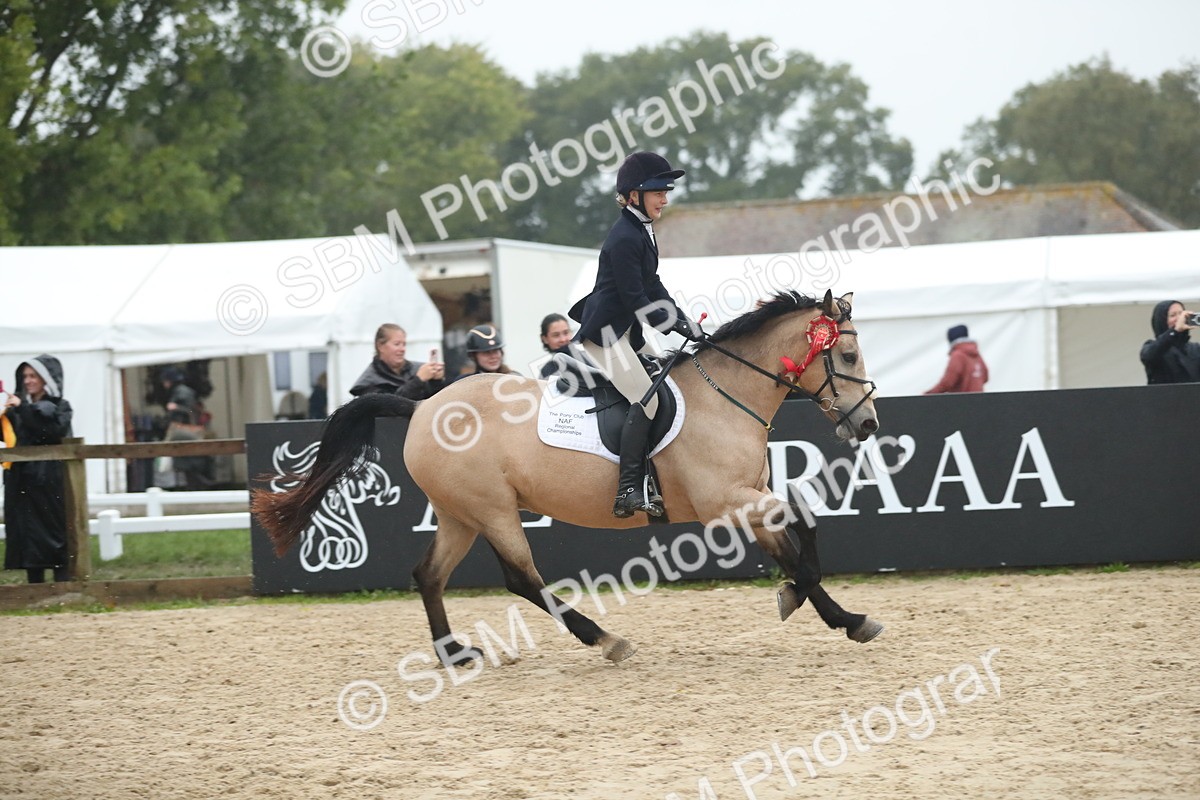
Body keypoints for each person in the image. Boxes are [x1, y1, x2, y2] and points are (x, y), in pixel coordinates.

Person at [568, 151, 697, 518]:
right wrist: (672, 324)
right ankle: (627, 490)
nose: (665, 198)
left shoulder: (642, 227)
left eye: (666, 190)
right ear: (634, 194)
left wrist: (681, 316)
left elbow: (652, 282)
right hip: (606, 336)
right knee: (649, 401)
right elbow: (636, 298)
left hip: (625, 333)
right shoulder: (625, 236)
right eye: (658, 191)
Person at [2, 355, 74, 584]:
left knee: (53, 532)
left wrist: (22, 408)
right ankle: (35, 589)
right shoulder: (15, 409)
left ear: (46, 379)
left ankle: (62, 587)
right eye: (25, 376)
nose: (28, 381)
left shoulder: (61, 407)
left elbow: (50, 431)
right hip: (21, 480)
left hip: (49, 479)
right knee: (26, 534)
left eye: (33, 376)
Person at [350, 323, 445, 399]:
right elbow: (390, 407)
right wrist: (418, 381)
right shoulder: (369, 382)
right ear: (380, 346)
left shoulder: (418, 369)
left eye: (404, 344)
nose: (402, 349)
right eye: (397, 344)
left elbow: (434, 403)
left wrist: (436, 381)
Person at [1140, 300, 1200, 384]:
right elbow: (1149, 356)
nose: (1179, 319)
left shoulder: (1195, 348)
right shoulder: (1152, 347)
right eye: (1173, 315)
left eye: (1181, 314)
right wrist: (1175, 331)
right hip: (1165, 396)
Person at [925, 324, 989, 394]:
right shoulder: (976, 354)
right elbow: (985, 377)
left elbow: (948, 382)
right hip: (980, 400)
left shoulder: (958, 355)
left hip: (962, 401)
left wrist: (929, 394)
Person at [453, 324, 520, 382]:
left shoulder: (516, 379)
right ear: (474, 356)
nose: (493, 356)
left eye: (496, 351)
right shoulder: (465, 382)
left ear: (501, 352)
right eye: (486, 353)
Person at [537, 313, 573, 379]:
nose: (563, 339)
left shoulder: (589, 356)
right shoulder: (546, 372)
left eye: (566, 333)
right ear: (545, 339)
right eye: (556, 335)